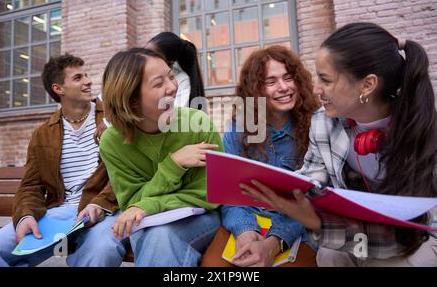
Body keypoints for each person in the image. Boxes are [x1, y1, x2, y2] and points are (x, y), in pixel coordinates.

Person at [241, 22, 437, 267]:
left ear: (367, 85)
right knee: (330, 254)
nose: (315, 89)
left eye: (326, 80)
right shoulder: (323, 124)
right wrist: (272, 189)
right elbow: (309, 181)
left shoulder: (423, 130)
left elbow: (405, 237)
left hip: (418, 237)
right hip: (359, 230)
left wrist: (318, 224)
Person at [0, 54, 125, 267]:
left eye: (86, 75)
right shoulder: (42, 134)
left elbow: (126, 171)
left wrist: (100, 204)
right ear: (59, 89)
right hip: (59, 215)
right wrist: (25, 216)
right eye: (78, 78)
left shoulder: (114, 118)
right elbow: (30, 185)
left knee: (102, 249)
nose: (88, 81)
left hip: (104, 209)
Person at [99, 48, 222, 267]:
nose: (173, 87)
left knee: (161, 237)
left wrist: (150, 205)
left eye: (171, 76)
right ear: (132, 100)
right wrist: (173, 165)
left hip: (200, 217)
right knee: (156, 237)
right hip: (144, 223)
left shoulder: (198, 122)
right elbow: (132, 202)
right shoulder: (111, 142)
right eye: (159, 83)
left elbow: (211, 193)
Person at [201, 45, 320, 267]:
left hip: (296, 225)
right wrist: (246, 232)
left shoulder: (316, 127)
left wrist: (272, 243)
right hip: (245, 219)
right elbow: (229, 195)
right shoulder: (238, 130)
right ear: (255, 90)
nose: (284, 87)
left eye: (288, 78)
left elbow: (315, 200)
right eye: (271, 81)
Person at [146, 32, 205, 109]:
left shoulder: (182, 81)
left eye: (152, 56)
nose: (144, 57)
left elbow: (173, 116)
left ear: (170, 63)